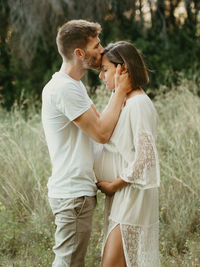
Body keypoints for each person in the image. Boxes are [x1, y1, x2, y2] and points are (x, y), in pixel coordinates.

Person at [41, 20, 131, 267]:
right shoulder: (63, 89)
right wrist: (120, 91)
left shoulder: (74, 86)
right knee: (68, 263)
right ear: (79, 53)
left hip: (77, 193)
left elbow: (102, 123)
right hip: (72, 195)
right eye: (96, 45)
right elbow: (101, 133)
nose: (102, 50)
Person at [94, 41, 160, 267]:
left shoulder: (138, 104)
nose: (101, 76)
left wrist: (114, 185)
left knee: (111, 264)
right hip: (124, 195)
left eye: (105, 70)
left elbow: (146, 158)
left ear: (122, 69)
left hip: (132, 194)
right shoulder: (123, 102)